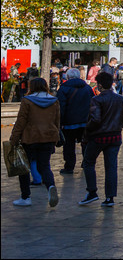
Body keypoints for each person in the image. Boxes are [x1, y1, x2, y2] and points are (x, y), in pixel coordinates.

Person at [80, 72, 123, 206]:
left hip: (99, 136)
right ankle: (110, 197)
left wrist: (88, 131)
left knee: (88, 162)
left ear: (100, 85)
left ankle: (92, 192)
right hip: (115, 136)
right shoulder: (120, 99)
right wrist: (119, 126)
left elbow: (95, 119)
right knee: (111, 166)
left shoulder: (97, 100)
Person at [10, 76, 61, 207]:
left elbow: (21, 121)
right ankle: (50, 186)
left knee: (24, 167)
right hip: (49, 136)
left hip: (30, 137)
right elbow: (57, 121)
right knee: (44, 166)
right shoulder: (54, 101)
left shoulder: (27, 101)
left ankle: (25, 197)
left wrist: (14, 138)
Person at [56, 68, 91, 175]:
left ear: (67, 77)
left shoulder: (63, 89)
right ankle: (86, 163)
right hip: (85, 121)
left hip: (69, 123)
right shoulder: (87, 88)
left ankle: (69, 166)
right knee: (85, 143)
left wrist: (59, 122)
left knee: (69, 145)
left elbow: (60, 107)